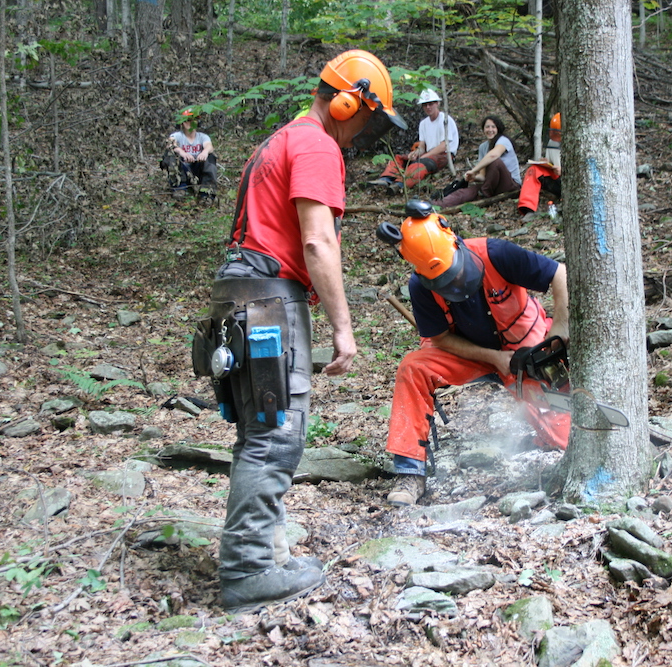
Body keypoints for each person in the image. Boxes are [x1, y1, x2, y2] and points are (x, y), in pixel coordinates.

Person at [199, 49, 406, 613]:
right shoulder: (316, 144)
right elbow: (317, 241)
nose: (367, 129)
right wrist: (344, 328)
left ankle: (268, 553)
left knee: (257, 433)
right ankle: (246, 571)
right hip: (270, 298)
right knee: (274, 438)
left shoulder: (277, 140)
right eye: (370, 115)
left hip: (237, 294)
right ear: (347, 101)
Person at [376, 200, 571, 507]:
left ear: (454, 240)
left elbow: (559, 274)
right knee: (413, 367)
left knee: (562, 427)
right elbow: (439, 338)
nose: (453, 283)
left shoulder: (497, 253)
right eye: (443, 282)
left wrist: (557, 333)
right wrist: (492, 358)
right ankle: (409, 471)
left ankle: (566, 434)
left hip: (523, 342)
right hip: (469, 352)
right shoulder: (420, 286)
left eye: (454, 274)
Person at [368, 89, 459, 195]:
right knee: (399, 158)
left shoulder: (445, 119)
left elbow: (444, 146)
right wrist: (416, 153)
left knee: (419, 164)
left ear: (437, 103)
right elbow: (422, 145)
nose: (428, 107)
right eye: (425, 105)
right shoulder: (424, 123)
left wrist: (424, 157)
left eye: (431, 104)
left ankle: (400, 184)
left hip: (444, 155)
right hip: (428, 154)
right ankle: (386, 179)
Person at [432, 115, 522, 208]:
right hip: (492, 186)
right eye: (487, 127)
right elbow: (483, 176)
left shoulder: (503, 140)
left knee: (495, 162)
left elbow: (493, 155)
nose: (490, 129)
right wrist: (473, 177)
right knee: (463, 192)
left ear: (498, 129)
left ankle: (483, 194)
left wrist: (474, 170)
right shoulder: (483, 147)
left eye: (493, 127)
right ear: (483, 129)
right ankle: (436, 204)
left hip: (510, 185)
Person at [166, 108, 218, 202]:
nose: (190, 123)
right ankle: (179, 187)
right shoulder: (177, 135)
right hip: (182, 169)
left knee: (211, 156)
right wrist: (182, 152)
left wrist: (204, 152)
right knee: (171, 154)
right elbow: (170, 144)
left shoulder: (202, 136)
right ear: (182, 123)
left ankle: (207, 191)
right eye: (187, 121)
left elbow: (209, 146)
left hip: (198, 169)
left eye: (193, 120)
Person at [518, 112, 562, 222]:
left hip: (569, 182)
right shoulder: (552, 142)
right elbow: (553, 162)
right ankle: (527, 208)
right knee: (533, 170)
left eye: (558, 133)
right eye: (553, 132)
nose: (555, 135)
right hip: (556, 178)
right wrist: (546, 163)